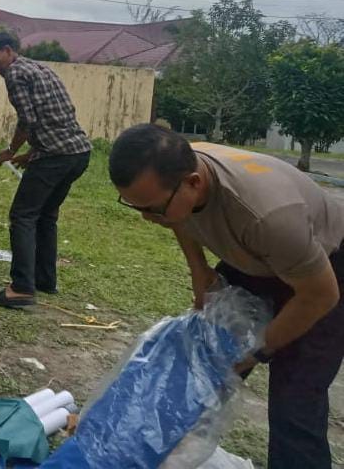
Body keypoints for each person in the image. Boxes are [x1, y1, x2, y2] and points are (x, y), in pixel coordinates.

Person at [108, 124, 344, 469]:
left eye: (153, 209)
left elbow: (321, 295)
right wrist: (199, 270)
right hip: (256, 256)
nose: (147, 218)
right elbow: (179, 219)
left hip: (326, 269)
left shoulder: (267, 217)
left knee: (295, 401)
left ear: (194, 183)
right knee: (202, 365)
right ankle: (157, 455)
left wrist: (257, 350)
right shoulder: (182, 169)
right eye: (137, 207)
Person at [0, 30, 91, 309]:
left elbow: (27, 121)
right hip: (78, 153)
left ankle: (21, 289)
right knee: (46, 217)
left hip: (55, 156)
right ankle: (44, 280)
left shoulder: (15, 74)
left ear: (7, 50)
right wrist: (33, 154)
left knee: (23, 215)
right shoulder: (40, 68)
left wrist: (11, 151)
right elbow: (57, 117)